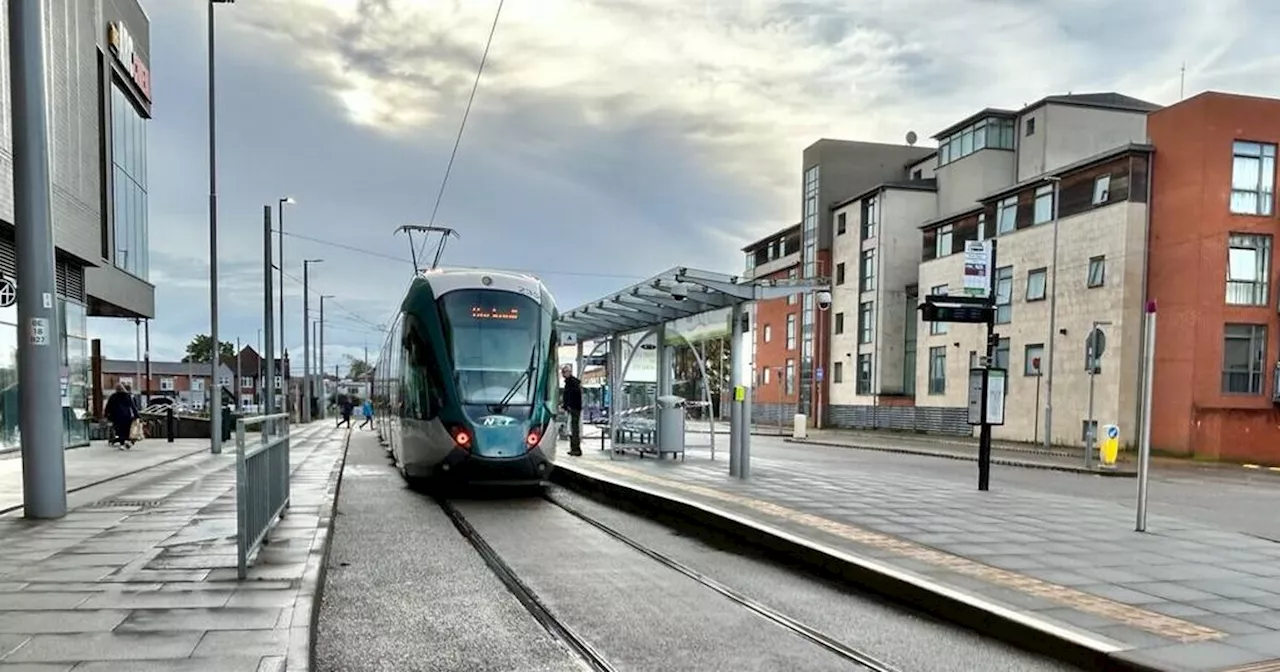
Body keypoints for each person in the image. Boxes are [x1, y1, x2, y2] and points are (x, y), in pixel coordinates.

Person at [104, 382, 139, 449]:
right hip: (127, 416)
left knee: (119, 431)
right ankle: (127, 442)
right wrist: (137, 415)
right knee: (127, 430)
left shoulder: (113, 396)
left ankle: (122, 443)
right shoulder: (127, 396)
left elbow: (108, 407)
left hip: (116, 417)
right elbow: (133, 406)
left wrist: (107, 415)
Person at [560, 365, 582, 456]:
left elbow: (572, 396)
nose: (563, 374)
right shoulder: (571, 382)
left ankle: (575, 449)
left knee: (574, 428)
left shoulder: (572, 383)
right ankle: (574, 448)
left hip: (574, 408)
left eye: (564, 372)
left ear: (569, 372)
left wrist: (568, 405)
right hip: (573, 408)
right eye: (563, 372)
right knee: (573, 428)